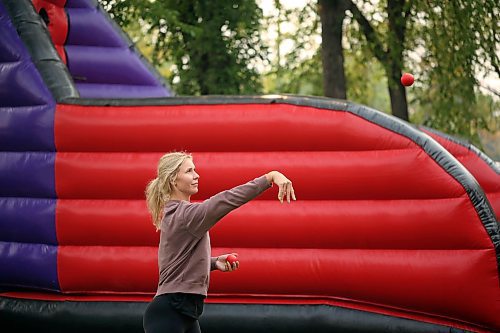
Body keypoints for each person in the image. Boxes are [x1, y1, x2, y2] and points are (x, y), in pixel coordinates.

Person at [143, 152, 296, 333]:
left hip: (184, 313)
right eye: (189, 171)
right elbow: (226, 199)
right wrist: (270, 177)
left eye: (195, 170)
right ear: (173, 181)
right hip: (170, 313)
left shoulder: (178, 214)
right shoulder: (186, 215)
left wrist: (214, 263)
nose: (196, 175)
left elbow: (177, 266)